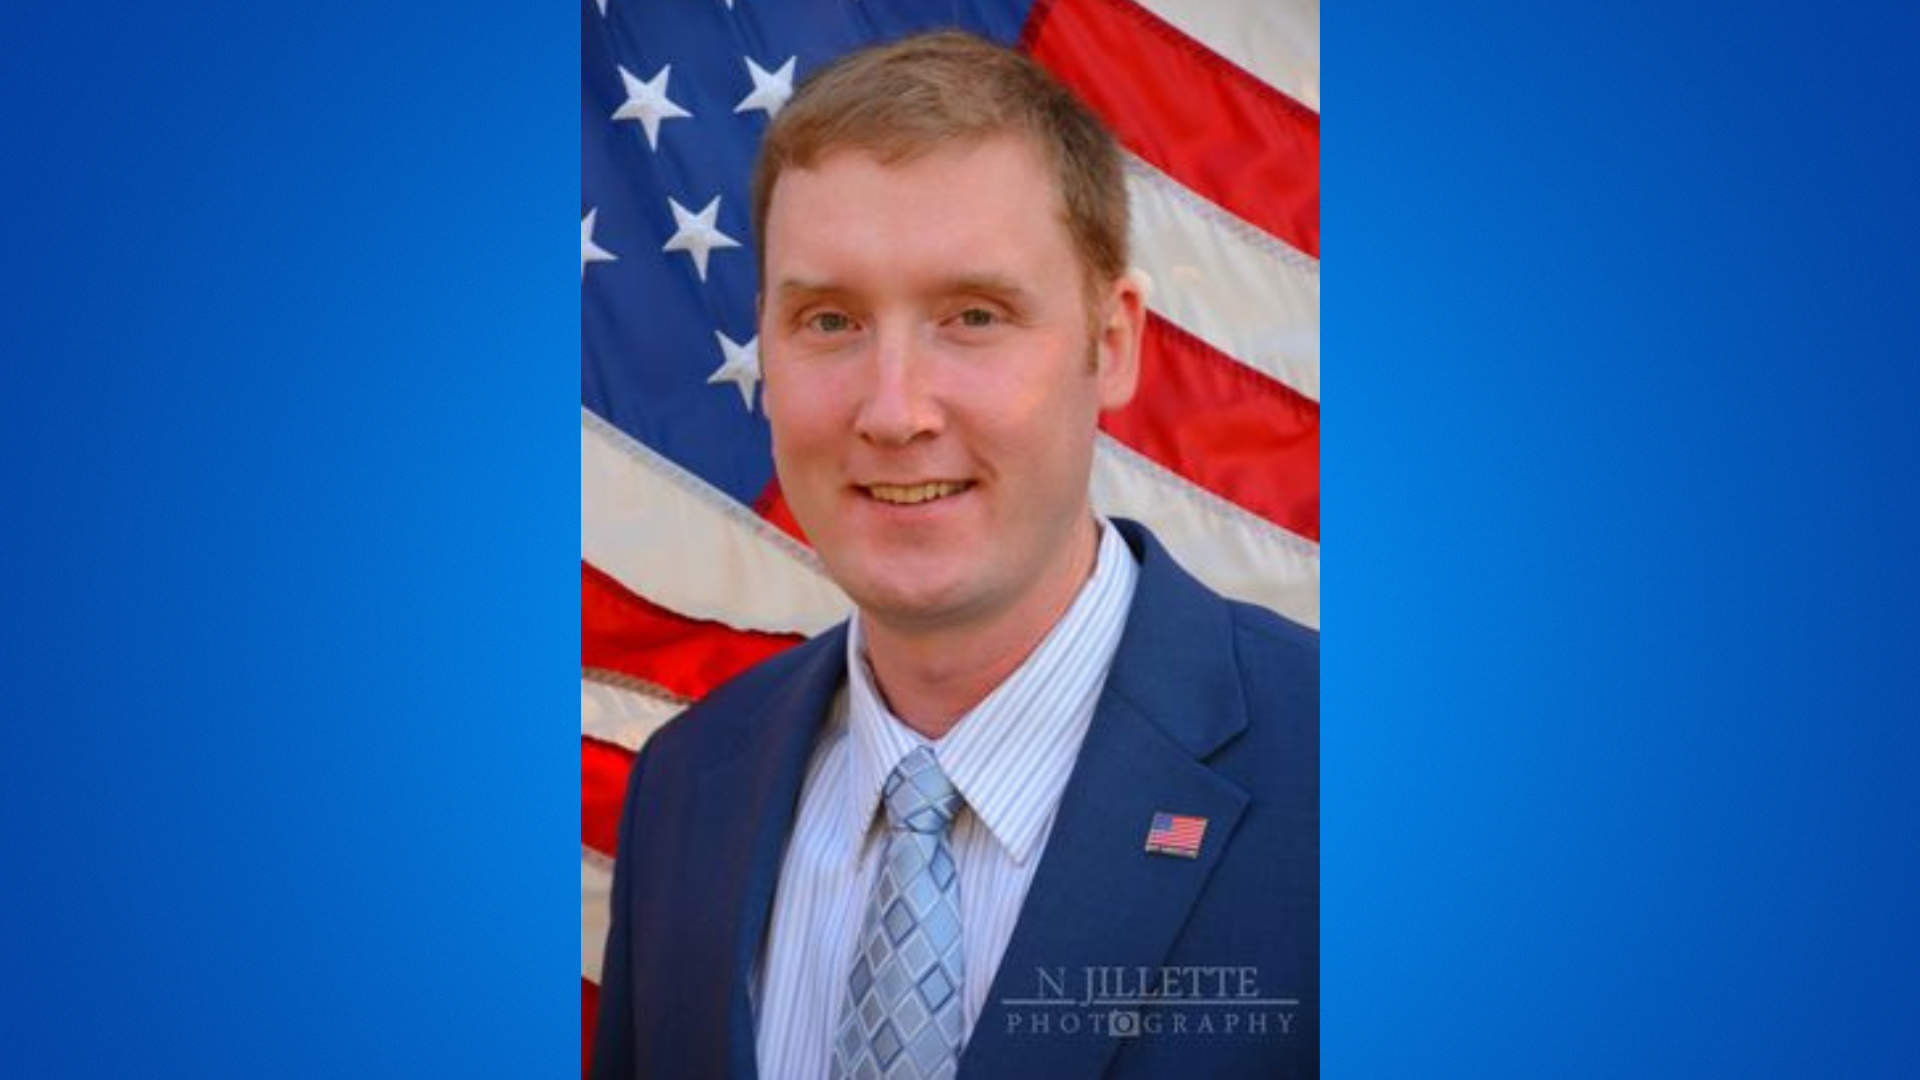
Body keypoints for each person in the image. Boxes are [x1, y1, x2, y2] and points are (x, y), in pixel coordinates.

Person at [592, 30, 1317, 1080]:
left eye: (973, 315)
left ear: (1110, 345)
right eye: (829, 320)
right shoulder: (687, 789)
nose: (893, 411)